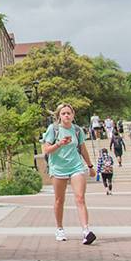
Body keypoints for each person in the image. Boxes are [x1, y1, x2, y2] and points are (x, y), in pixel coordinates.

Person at [43, 103, 97, 244]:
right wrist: (59, 144)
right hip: (58, 168)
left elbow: (83, 149)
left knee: (80, 198)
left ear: (73, 115)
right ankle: (59, 229)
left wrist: (90, 166)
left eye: (69, 113)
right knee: (59, 200)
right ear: (59, 116)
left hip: (76, 167)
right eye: (63, 113)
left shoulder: (77, 130)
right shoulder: (53, 129)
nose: (66, 115)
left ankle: (86, 231)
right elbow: (46, 149)